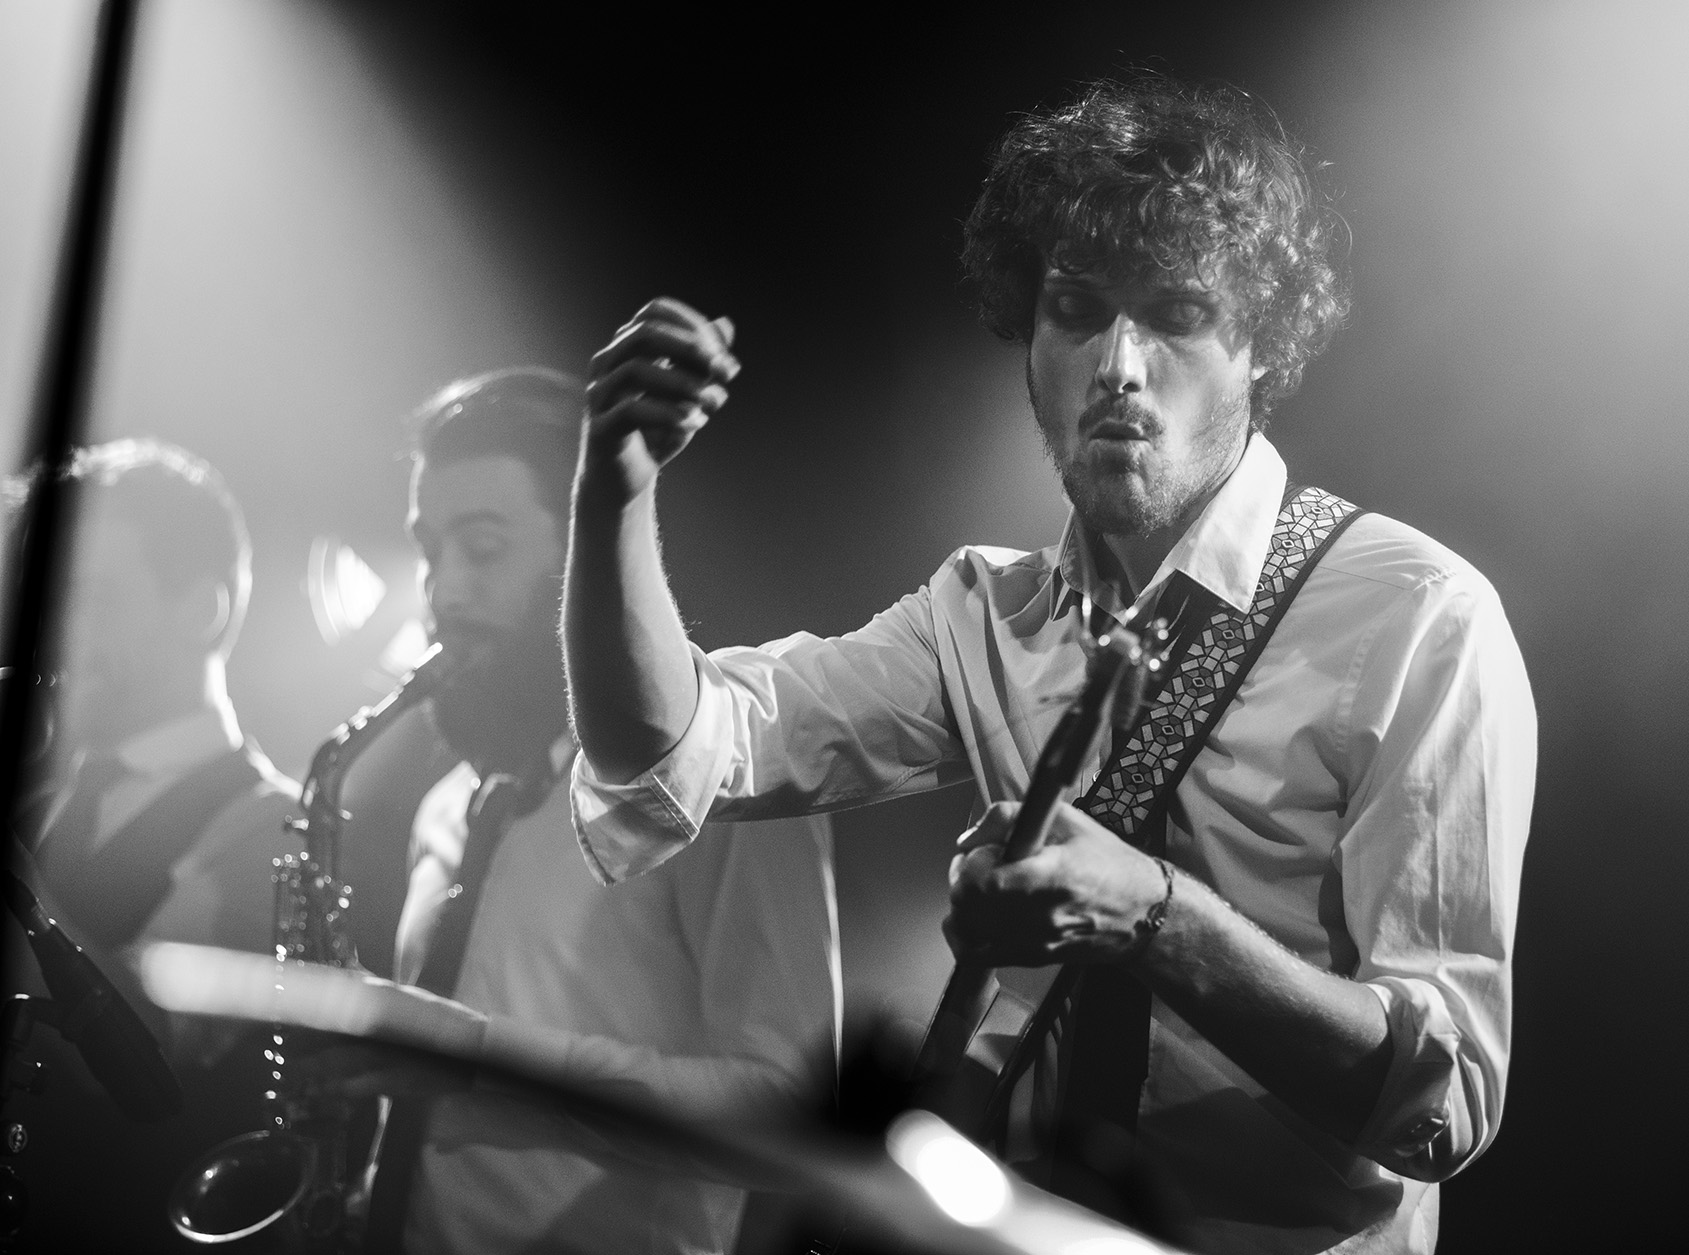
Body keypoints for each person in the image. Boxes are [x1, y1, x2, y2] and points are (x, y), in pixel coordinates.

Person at [562, 79, 1536, 1255]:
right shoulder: (981, 611)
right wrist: (613, 490)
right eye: (1076, 309)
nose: (1120, 361)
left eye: (1176, 312)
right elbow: (670, 755)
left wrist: (1152, 917)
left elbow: (1442, 1106)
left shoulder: (1418, 617)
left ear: (1260, 346)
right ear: (1028, 342)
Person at [354, 367, 839, 1255]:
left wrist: (478, 1058)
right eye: (431, 551)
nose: (443, 593)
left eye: (484, 547)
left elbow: (791, 1113)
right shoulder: (447, 805)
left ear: (590, 545)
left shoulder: (721, 771)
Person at [2, 438, 298, 1252]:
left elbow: (150, 1069)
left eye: (87, 596)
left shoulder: (278, 825)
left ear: (201, 608)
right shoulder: (35, 801)